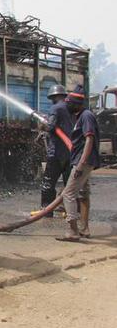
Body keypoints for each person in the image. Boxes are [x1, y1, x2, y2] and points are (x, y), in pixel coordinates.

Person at [56, 85, 100, 241]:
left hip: (83, 162)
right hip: (83, 161)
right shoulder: (81, 115)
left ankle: (73, 231)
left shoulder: (86, 116)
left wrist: (80, 165)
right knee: (81, 193)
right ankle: (84, 229)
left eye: (69, 104)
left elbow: (89, 139)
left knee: (68, 194)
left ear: (76, 104)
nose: (67, 106)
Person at [40, 84, 74, 210]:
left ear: (54, 96)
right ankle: (71, 209)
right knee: (69, 184)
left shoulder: (55, 108)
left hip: (56, 153)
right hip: (70, 153)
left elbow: (50, 127)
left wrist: (43, 124)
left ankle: (46, 210)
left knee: (48, 183)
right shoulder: (71, 109)